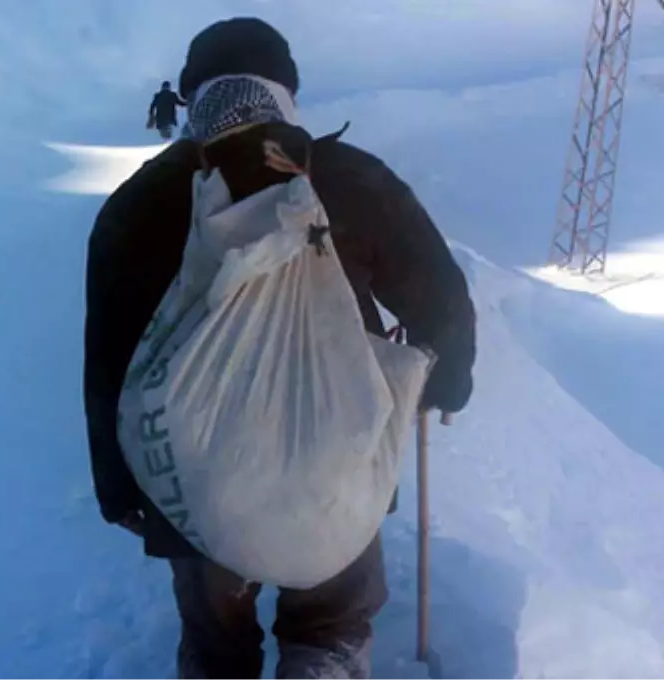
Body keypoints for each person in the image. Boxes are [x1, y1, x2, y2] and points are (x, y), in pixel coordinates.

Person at [83, 17, 476, 680]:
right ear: (287, 90)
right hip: (335, 458)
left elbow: (109, 356)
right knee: (329, 628)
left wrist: (119, 485)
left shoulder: (140, 201)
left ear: (191, 96)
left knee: (216, 645)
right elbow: (439, 296)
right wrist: (447, 380)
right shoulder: (351, 179)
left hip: (192, 476)